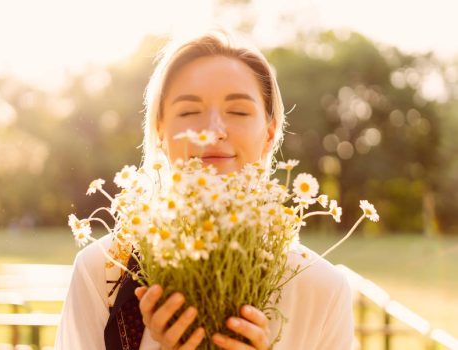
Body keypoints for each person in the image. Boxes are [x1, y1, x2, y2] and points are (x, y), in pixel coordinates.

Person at [55, 27, 354, 350]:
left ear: (269, 134)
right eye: (189, 112)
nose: (212, 130)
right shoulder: (104, 272)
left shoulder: (321, 289)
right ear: (160, 132)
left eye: (238, 111)